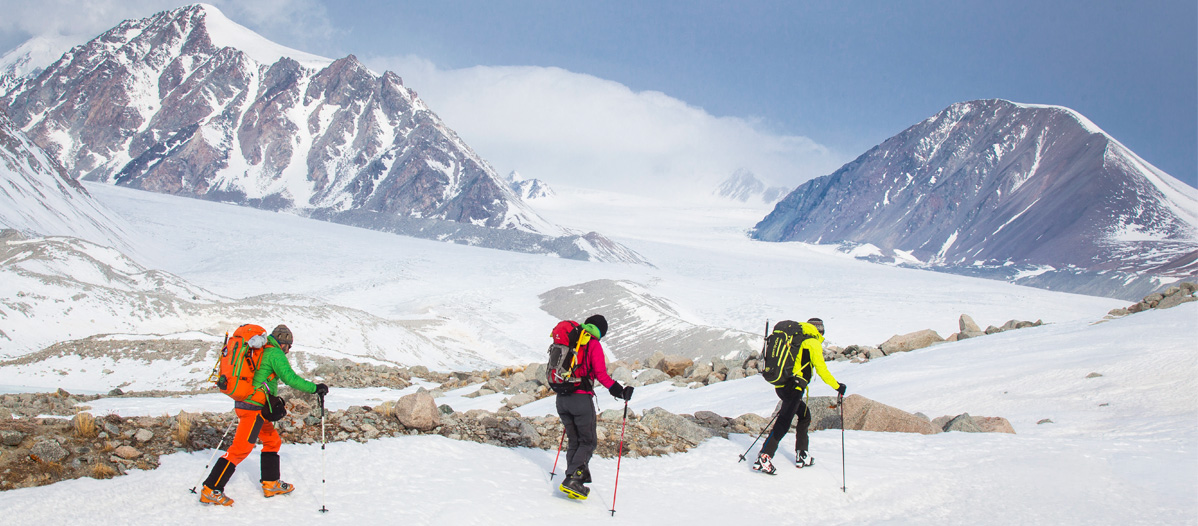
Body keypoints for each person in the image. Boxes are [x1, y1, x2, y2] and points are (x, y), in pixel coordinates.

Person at [200, 324, 329, 506]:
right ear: (283, 343)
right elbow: (290, 378)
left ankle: (271, 483)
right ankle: (211, 489)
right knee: (240, 449)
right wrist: (315, 388)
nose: (288, 350)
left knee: (272, 441)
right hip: (253, 408)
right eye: (289, 346)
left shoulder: (260, 349)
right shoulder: (274, 353)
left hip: (253, 405)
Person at [753, 317, 846, 474]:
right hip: (794, 388)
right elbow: (822, 370)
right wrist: (838, 386)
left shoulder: (797, 338)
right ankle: (764, 456)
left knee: (804, 416)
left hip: (782, 386)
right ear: (820, 330)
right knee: (784, 422)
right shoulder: (813, 342)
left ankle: (802, 453)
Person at [556, 314, 633, 500]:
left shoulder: (571, 339)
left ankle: (571, 478)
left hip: (561, 398)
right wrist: (620, 392)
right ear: (600, 332)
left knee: (574, 441)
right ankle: (575, 479)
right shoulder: (592, 344)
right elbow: (601, 374)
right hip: (581, 400)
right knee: (588, 442)